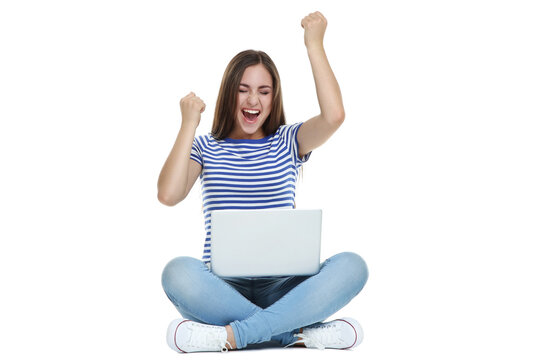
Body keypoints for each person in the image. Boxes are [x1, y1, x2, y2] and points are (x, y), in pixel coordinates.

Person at [157, 11, 368, 353]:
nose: (253, 101)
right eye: (243, 90)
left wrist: (314, 44)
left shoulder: (288, 140)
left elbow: (334, 116)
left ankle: (232, 337)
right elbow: (168, 194)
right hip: (221, 289)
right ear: (230, 95)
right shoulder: (205, 147)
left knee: (353, 266)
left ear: (274, 98)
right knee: (176, 273)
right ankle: (295, 333)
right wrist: (188, 124)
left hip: (285, 286)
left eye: (263, 91)